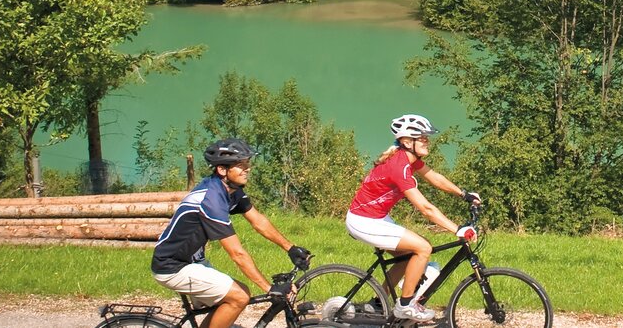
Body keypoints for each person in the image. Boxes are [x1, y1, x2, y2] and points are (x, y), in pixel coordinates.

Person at [151, 138, 312, 328]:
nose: (247, 168)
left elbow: (258, 221)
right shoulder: (212, 200)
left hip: (193, 261)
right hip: (173, 267)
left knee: (226, 306)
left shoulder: (231, 190)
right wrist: (269, 288)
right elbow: (237, 254)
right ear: (222, 170)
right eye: (241, 165)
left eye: (247, 164)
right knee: (240, 296)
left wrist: (290, 248)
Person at [345, 114, 481, 322]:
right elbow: (426, 208)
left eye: (427, 136)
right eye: (423, 137)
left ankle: (378, 304)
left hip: (375, 218)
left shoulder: (407, 159)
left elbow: (434, 177)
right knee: (423, 248)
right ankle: (405, 306)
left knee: (408, 255)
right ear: (407, 141)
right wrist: (457, 229)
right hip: (364, 221)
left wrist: (463, 194)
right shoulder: (398, 166)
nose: (428, 140)